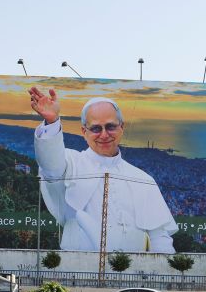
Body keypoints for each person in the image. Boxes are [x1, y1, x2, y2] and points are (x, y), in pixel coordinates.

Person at [28, 87, 177, 253]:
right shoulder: (71, 163)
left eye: (110, 126)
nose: (104, 135)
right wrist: (52, 122)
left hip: (134, 268)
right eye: (96, 128)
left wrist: (161, 267)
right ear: (84, 132)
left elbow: (159, 237)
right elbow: (51, 166)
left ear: (122, 127)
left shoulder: (143, 179)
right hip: (79, 266)